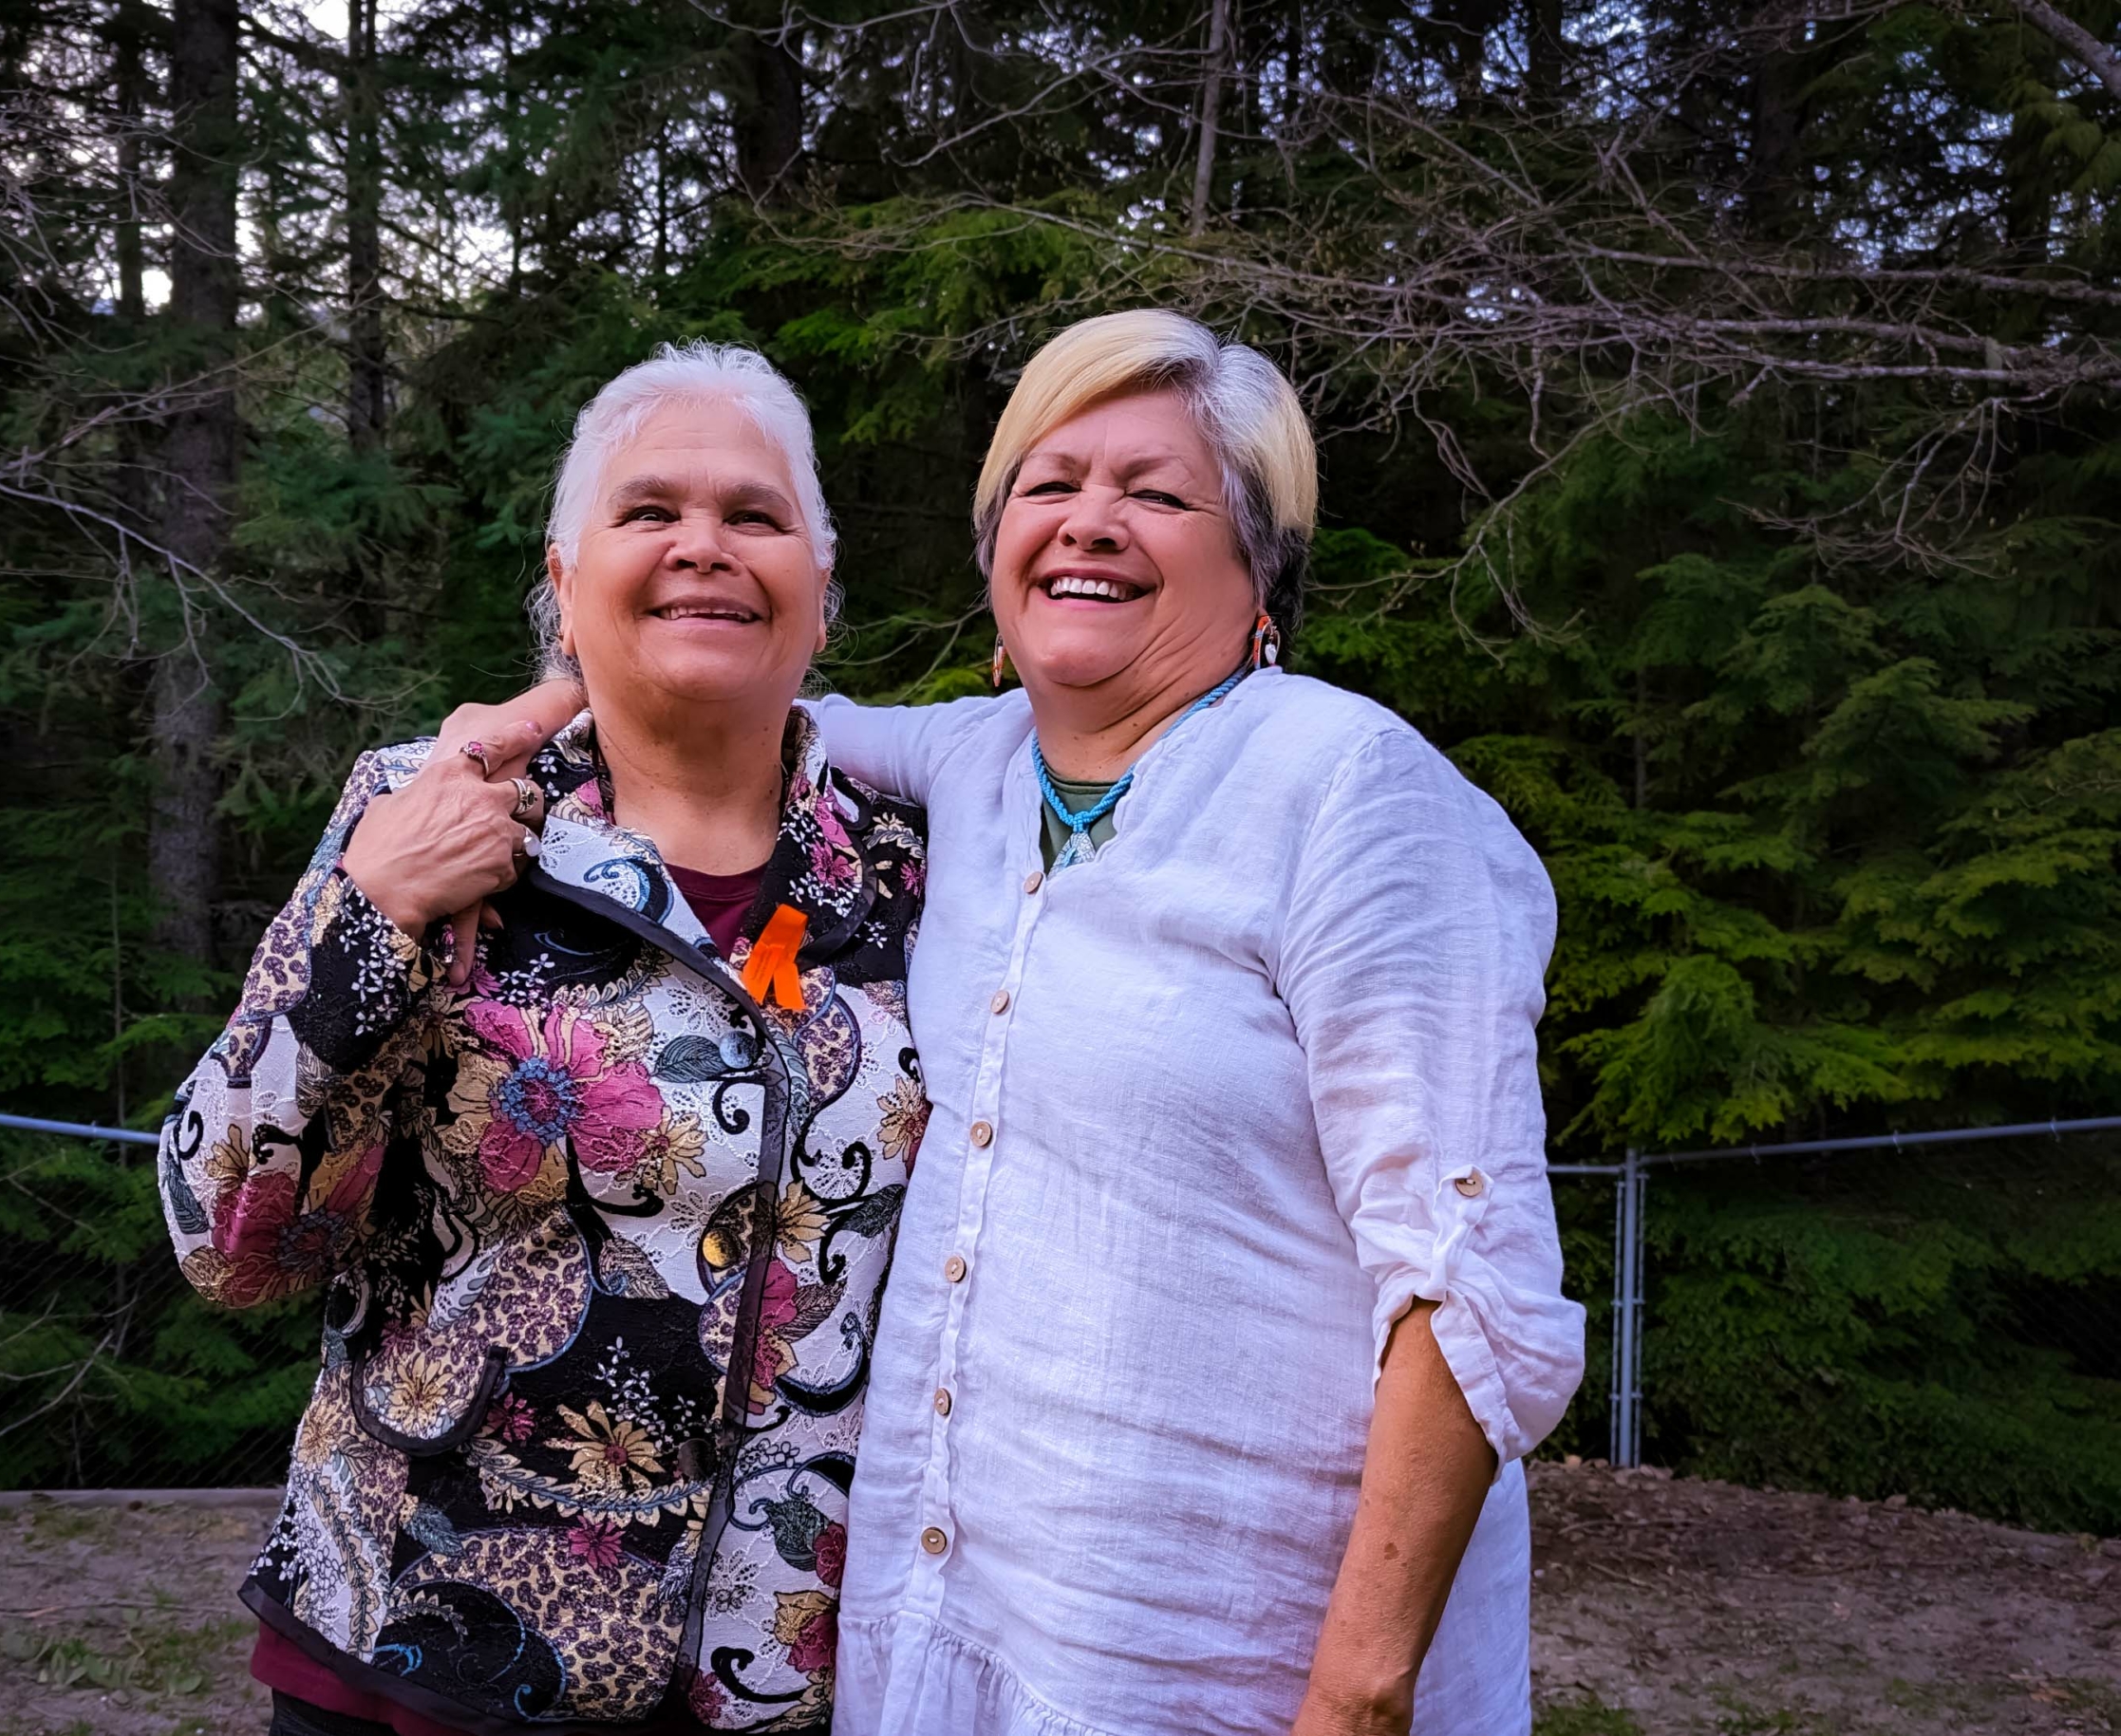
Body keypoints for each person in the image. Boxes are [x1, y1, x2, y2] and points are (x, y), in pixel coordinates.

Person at [797, 310, 1586, 1736]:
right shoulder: (975, 763)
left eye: (1155, 493)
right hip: (965, 1631)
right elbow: (751, 713)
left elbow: (1469, 1290)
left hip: (1224, 1664)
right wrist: (508, 728)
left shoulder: (1351, 794)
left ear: (1259, 568)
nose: (1088, 523)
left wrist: (1354, 1698)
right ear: (995, 556)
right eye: (1048, 485)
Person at [158, 342, 930, 1736]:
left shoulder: (915, 870)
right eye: (650, 512)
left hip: (782, 1681)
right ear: (566, 586)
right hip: (421, 1664)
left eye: (755, 515)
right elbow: (229, 1238)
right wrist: (374, 904)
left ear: (820, 592)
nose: (706, 546)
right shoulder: (423, 805)